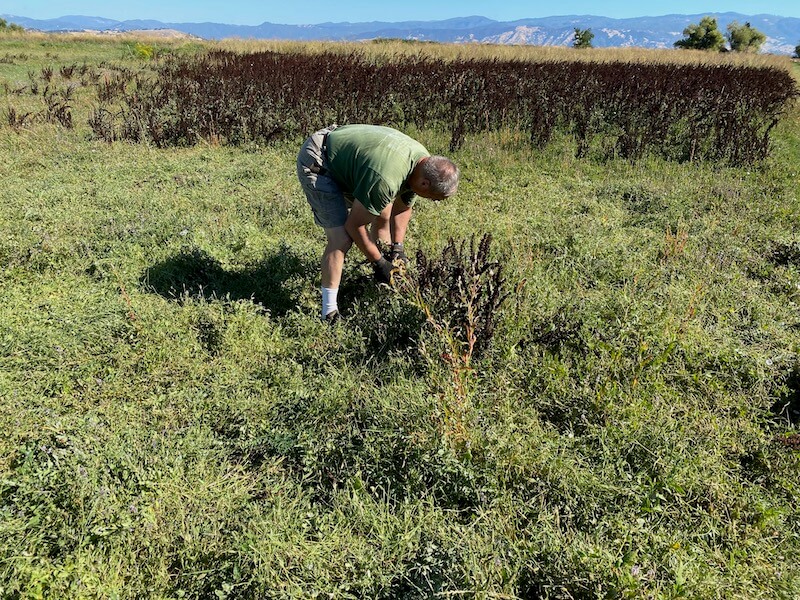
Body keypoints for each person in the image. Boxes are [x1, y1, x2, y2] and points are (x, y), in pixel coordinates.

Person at [297, 124, 460, 322]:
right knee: (341, 239)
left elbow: (402, 207)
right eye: (435, 198)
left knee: (383, 212)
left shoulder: (422, 164)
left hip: (352, 157)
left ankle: (378, 279)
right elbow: (354, 226)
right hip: (319, 161)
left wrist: (397, 248)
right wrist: (380, 263)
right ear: (425, 184)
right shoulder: (385, 179)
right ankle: (328, 313)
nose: (433, 202)